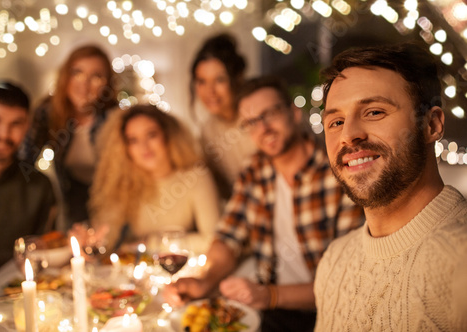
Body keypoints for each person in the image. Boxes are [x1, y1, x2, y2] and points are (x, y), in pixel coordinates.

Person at [166, 76, 364, 331]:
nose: (263, 128)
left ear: (293, 113)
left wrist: (270, 295)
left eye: (269, 114)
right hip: (269, 312)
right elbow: (228, 237)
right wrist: (204, 280)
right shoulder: (254, 170)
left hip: (331, 313)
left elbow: (348, 279)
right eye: (251, 122)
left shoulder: (338, 171)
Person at [314, 42, 467, 331]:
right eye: (335, 121)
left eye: (374, 112)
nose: (349, 136)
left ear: (432, 125)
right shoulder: (335, 261)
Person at [88, 104, 220, 254]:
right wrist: (92, 245)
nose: (144, 147)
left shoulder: (196, 177)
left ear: (167, 135)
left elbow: (213, 240)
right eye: (133, 140)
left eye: (151, 135)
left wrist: (150, 243)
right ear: (126, 148)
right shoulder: (125, 183)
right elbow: (106, 238)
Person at [0, 81, 56, 290]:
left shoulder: (39, 186)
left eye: (16, 123)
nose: (3, 134)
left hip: (16, 299)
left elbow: (45, 250)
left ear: (27, 126)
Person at [22, 44, 117, 229]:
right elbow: (24, 164)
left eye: (96, 76)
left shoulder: (115, 116)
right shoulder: (47, 113)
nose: (85, 84)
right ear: (65, 77)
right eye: (77, 73)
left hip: (113, 196)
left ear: (108, 84)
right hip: (72, 197)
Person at [190, 33, 256, 200]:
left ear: (237, 78)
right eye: (202, 81)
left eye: (219, 80)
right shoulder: (208, 131)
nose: (210, 91)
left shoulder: (259, 114)